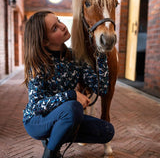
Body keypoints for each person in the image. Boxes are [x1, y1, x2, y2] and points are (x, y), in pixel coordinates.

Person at [23, 10, 114, 158]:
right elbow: (36, 106)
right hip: (37, 121)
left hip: (66, 116)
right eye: (55, 28)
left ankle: (53, 139)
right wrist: (71, 95)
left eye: (58, 21)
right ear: (45, 41)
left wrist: (101, 54)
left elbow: (101, 89)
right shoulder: (38, 65)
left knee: (107, 130)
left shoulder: (75, 58)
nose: (62, 26)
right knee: (73, 107)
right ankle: (50, 154)